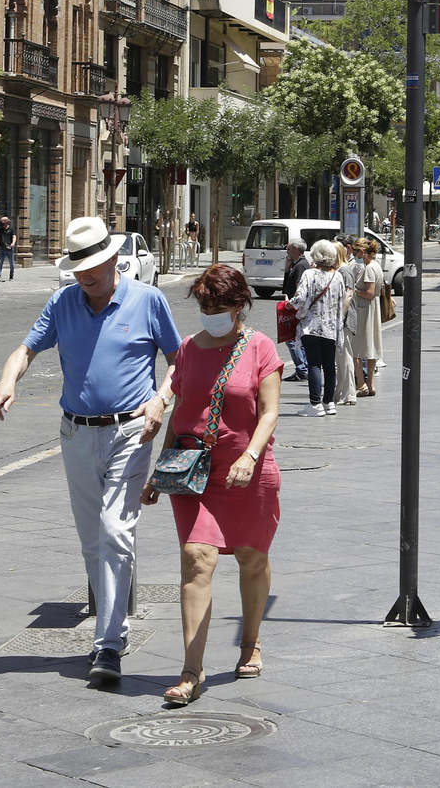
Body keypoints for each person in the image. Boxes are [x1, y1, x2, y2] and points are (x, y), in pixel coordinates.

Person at [0, 217, 181, 683]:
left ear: (114, 259)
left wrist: (161, 400)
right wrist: (7, 379)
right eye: (79, 269)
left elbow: (181, 362)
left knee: (116, 531)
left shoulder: (148, 300)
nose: (86, 276)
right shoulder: (62, 302)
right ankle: (117, 624)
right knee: (92, 541)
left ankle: (107, 643)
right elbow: (26, 349)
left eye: (93, 267)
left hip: (132, 432)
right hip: (75, 434)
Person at [140, 264, 284, 705]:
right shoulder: (187, 348)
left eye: (219, 306)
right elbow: (181, 408)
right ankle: (191, 671)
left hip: (248, 470)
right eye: (205, 305)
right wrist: (159, 472)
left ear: (240, 304)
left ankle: (250, 642)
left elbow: (269, 412)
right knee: (196, 559)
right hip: (192, 472)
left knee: (251, 560)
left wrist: (249, 456)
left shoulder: (260, 347)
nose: (211, 313)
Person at [292, 239, 345, 416]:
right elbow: (341, 301)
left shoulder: (310, 274)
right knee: (329, 365)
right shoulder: (337, 276)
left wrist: (289, 305)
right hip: (331, 327)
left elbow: (300, 299)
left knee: (314, 364)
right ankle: (329, 402)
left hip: (312, 326)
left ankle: (315, 404)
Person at [349, 237, 384, 396]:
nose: (356, 255)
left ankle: (362, 384)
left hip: (364, 310)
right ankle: (370, 384)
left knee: (356, 349)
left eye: (356, 252)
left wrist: (354, 291)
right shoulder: (377, 266)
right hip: (372, 309)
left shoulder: (369, 268)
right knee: (370, 349)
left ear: (362, 252)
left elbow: (369, 292)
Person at [334, 241, 360, 409]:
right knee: (341, 356)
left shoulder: (345, 270)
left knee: (345, 355)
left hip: (344, 318)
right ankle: (341, 391)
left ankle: (350, 392)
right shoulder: (340, 269)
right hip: (340, 318)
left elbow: (348, 294)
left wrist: (340, 316)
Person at [281, 241, 311, 384]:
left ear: (295, 249)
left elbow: (299, 289)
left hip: (295, 308)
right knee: (295, 338)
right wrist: (287, 270)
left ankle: (302, 368)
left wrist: (293, 304)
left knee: (292, 339)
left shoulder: (300, 265)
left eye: (288, 249)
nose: (287, 252)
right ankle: (303, 367)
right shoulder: (298, 264)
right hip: (293, 306)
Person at [0, 216, 17, 282]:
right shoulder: (0, 230)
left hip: (9, 248)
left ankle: (11, 275)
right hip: (2, 248)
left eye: (2, 221)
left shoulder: (11, 229)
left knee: (11, 263)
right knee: (0, 262)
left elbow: (14, 236)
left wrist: (13, 243)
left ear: (6, 222)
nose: (1, 222)